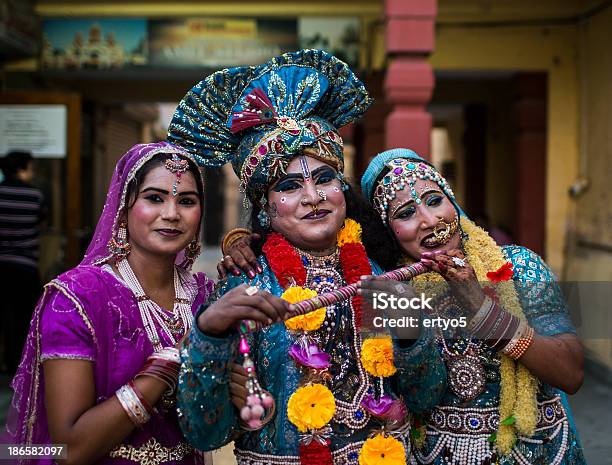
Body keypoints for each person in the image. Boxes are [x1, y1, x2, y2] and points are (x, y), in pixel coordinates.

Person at [170, 50, 441, 465]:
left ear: (342, 188)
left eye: (324, 178)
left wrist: (410, 331)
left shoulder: (383, 272)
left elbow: (425, 398)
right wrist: (209, 335)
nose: (313, 197)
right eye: (290, 186)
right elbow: (206, 431)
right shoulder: (244, 288)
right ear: (265, 207)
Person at [356, 148, 585, 464]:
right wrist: (410, 329)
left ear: (453, 202)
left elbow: (571, 373)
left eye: (435, 201)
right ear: (389, 231)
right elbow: (419, 401)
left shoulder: (519, 266)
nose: (429, 220)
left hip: (541, 450)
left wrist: (483, 311)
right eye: (406, 213)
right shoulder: (393, 292)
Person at [3, 142, 214, 465]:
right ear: (123, 207)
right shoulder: (76, 297)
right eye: (154, 198)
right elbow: (69, 450)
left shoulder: (206, 295)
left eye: (186, 201)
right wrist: (179, 353)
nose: (171, 214)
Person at [0, 151, 46, 374]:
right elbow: (40, 221)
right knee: (22, 316)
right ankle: (16, 364)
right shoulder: (34, 196)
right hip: (24, 264)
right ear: (21, 169)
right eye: (30, 167)